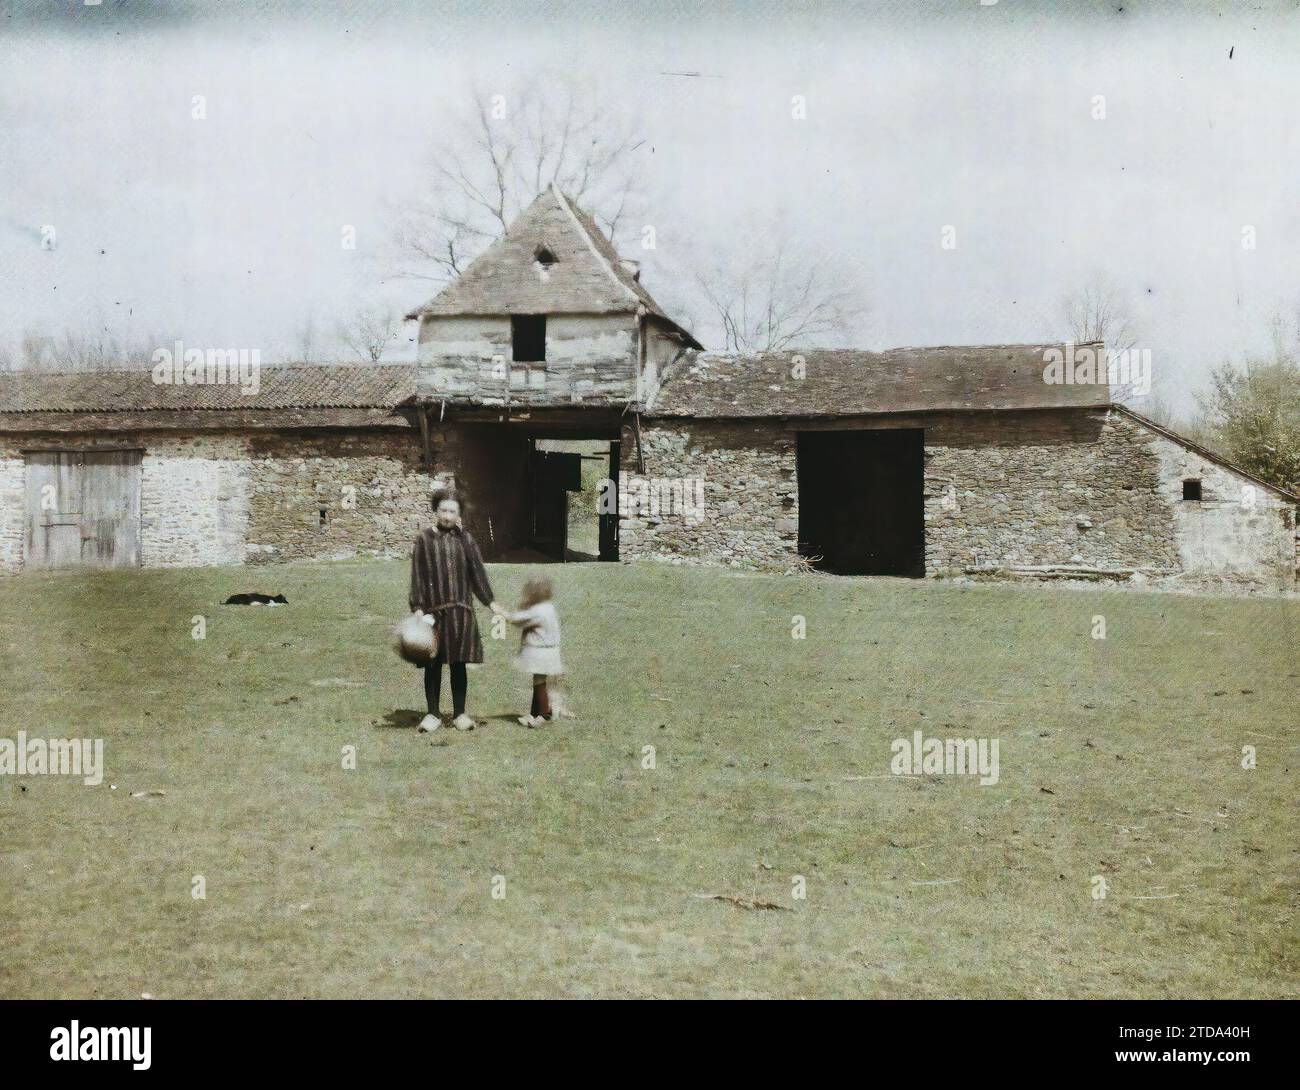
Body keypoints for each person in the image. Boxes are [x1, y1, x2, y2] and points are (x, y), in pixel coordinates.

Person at [408, 489, 501, 732]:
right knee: (433, 664)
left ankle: (460, 714)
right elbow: (418, 576)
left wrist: (491, 603)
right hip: (433, 614)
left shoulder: (466, 541)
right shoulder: (424, 540)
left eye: (452, 511)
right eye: (443, 510)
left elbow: (477, 575)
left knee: (458, 664)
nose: (447, 515)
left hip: (461, 614)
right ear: (435, 510)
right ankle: (432, 714)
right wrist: (418, 609)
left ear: (459, 514)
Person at [506, 577, 563, 728]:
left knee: (539, 683)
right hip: (550, 652)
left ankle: (544, 714)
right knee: (538, 681)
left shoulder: (537, 610)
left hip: (541, 653)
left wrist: (503, 612)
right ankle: (533, 713)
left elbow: (516, 619)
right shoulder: (549, 607)